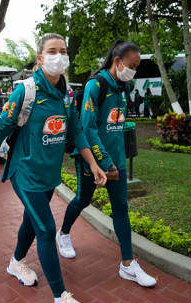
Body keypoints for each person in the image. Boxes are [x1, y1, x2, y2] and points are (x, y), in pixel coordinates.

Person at [0, 33, 107, 303]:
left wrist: (93, 163)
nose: (59, 56)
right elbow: (0, 130)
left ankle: (16, 262)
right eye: (52, 51)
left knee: (31, 223)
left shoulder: (68, 94)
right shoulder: (26, 91)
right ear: (40, 58)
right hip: (25, 172)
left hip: (49, 175)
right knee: (46, 228)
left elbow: (77, 132)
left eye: (63, 51)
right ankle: (61, 302)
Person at [57, 40, 157, 288]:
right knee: (82, 199)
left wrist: (116, 163)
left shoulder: (123, 87)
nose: (133, 71)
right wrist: (105, 163)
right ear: (117, 61)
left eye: (136, 67)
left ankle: (127, 265)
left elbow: (116, 126)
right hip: (93, 161)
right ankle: (64, 234)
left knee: (121, 209)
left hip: (117, 162)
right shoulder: (95, 85)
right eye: (131, 65)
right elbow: (88, 129)